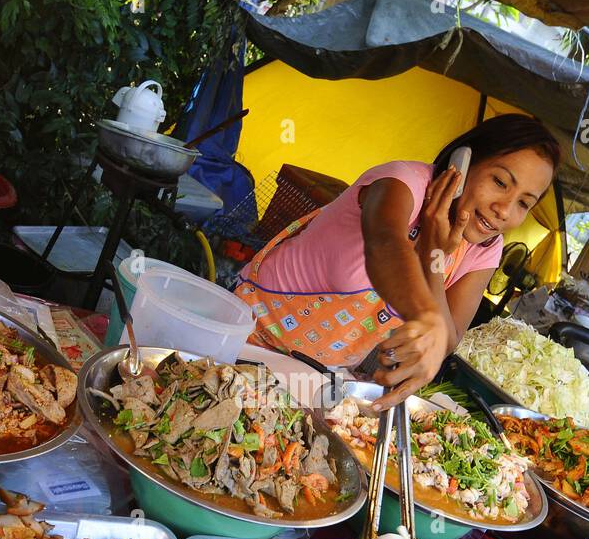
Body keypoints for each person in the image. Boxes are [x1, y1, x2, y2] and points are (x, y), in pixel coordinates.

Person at [233, 114, 561, 410]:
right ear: (465, 162)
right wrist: (429, 310)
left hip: (313, 378)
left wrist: (436, 250)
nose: (504, 210)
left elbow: (446, 339)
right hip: (243, 337)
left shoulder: (484, 248)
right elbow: (384, 246)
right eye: (500, 182)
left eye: (524, 203)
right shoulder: (404, 182)